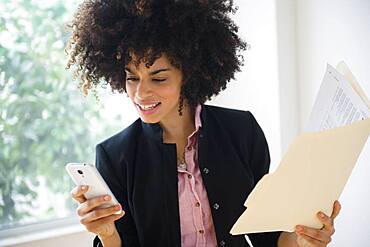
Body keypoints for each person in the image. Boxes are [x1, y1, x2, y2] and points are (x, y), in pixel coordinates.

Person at [66, 0, 341, 246]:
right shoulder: (115, 156)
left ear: (190, 72)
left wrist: (304, 239)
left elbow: (268, 236)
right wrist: (107, 234)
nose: (140, 94)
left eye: (158, 78)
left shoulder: (241, 131)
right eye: (132, 77)